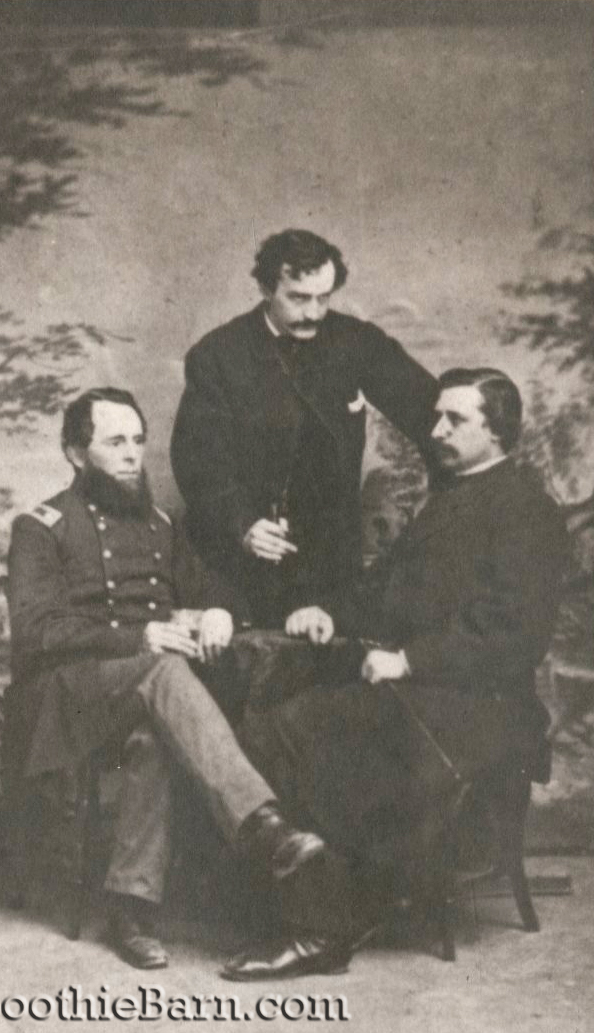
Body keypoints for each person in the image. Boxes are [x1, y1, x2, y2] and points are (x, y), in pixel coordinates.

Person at [225, 367, 569, 979]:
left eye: (455, 420)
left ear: (497, 430)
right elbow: (385, 592)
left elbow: (511, 635)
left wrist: (409, 660)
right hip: (429, 691)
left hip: (485, 707)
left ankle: (325, 926)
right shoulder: (450, 498)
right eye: (437, 416)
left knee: (302, 726)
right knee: (276, 705)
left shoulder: (526, 510)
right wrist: (329, 612)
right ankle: (312, 893)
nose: (436, 430)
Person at [5, 387, 355, 978]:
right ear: (75, 453)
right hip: (68, 699)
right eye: (115, 442)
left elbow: (213, 586)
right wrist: (142, 635)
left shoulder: (160, 525)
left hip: (141, 696)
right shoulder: (41, 527)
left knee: (154, 734)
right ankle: (266, 831)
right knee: (165, 669)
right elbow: (36, 630)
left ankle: (131, 910)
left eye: (138, 441)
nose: (132, 455)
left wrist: (218, 610)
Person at [171, 228, 438, 626]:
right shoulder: (217, 356)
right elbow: (197, 460)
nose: (313, 313)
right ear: (265, 288)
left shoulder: (357, 342)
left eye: (323, 298)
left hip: (331, 565)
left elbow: (431, 411)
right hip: (245, 563)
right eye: (298, 298)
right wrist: (241, 524)